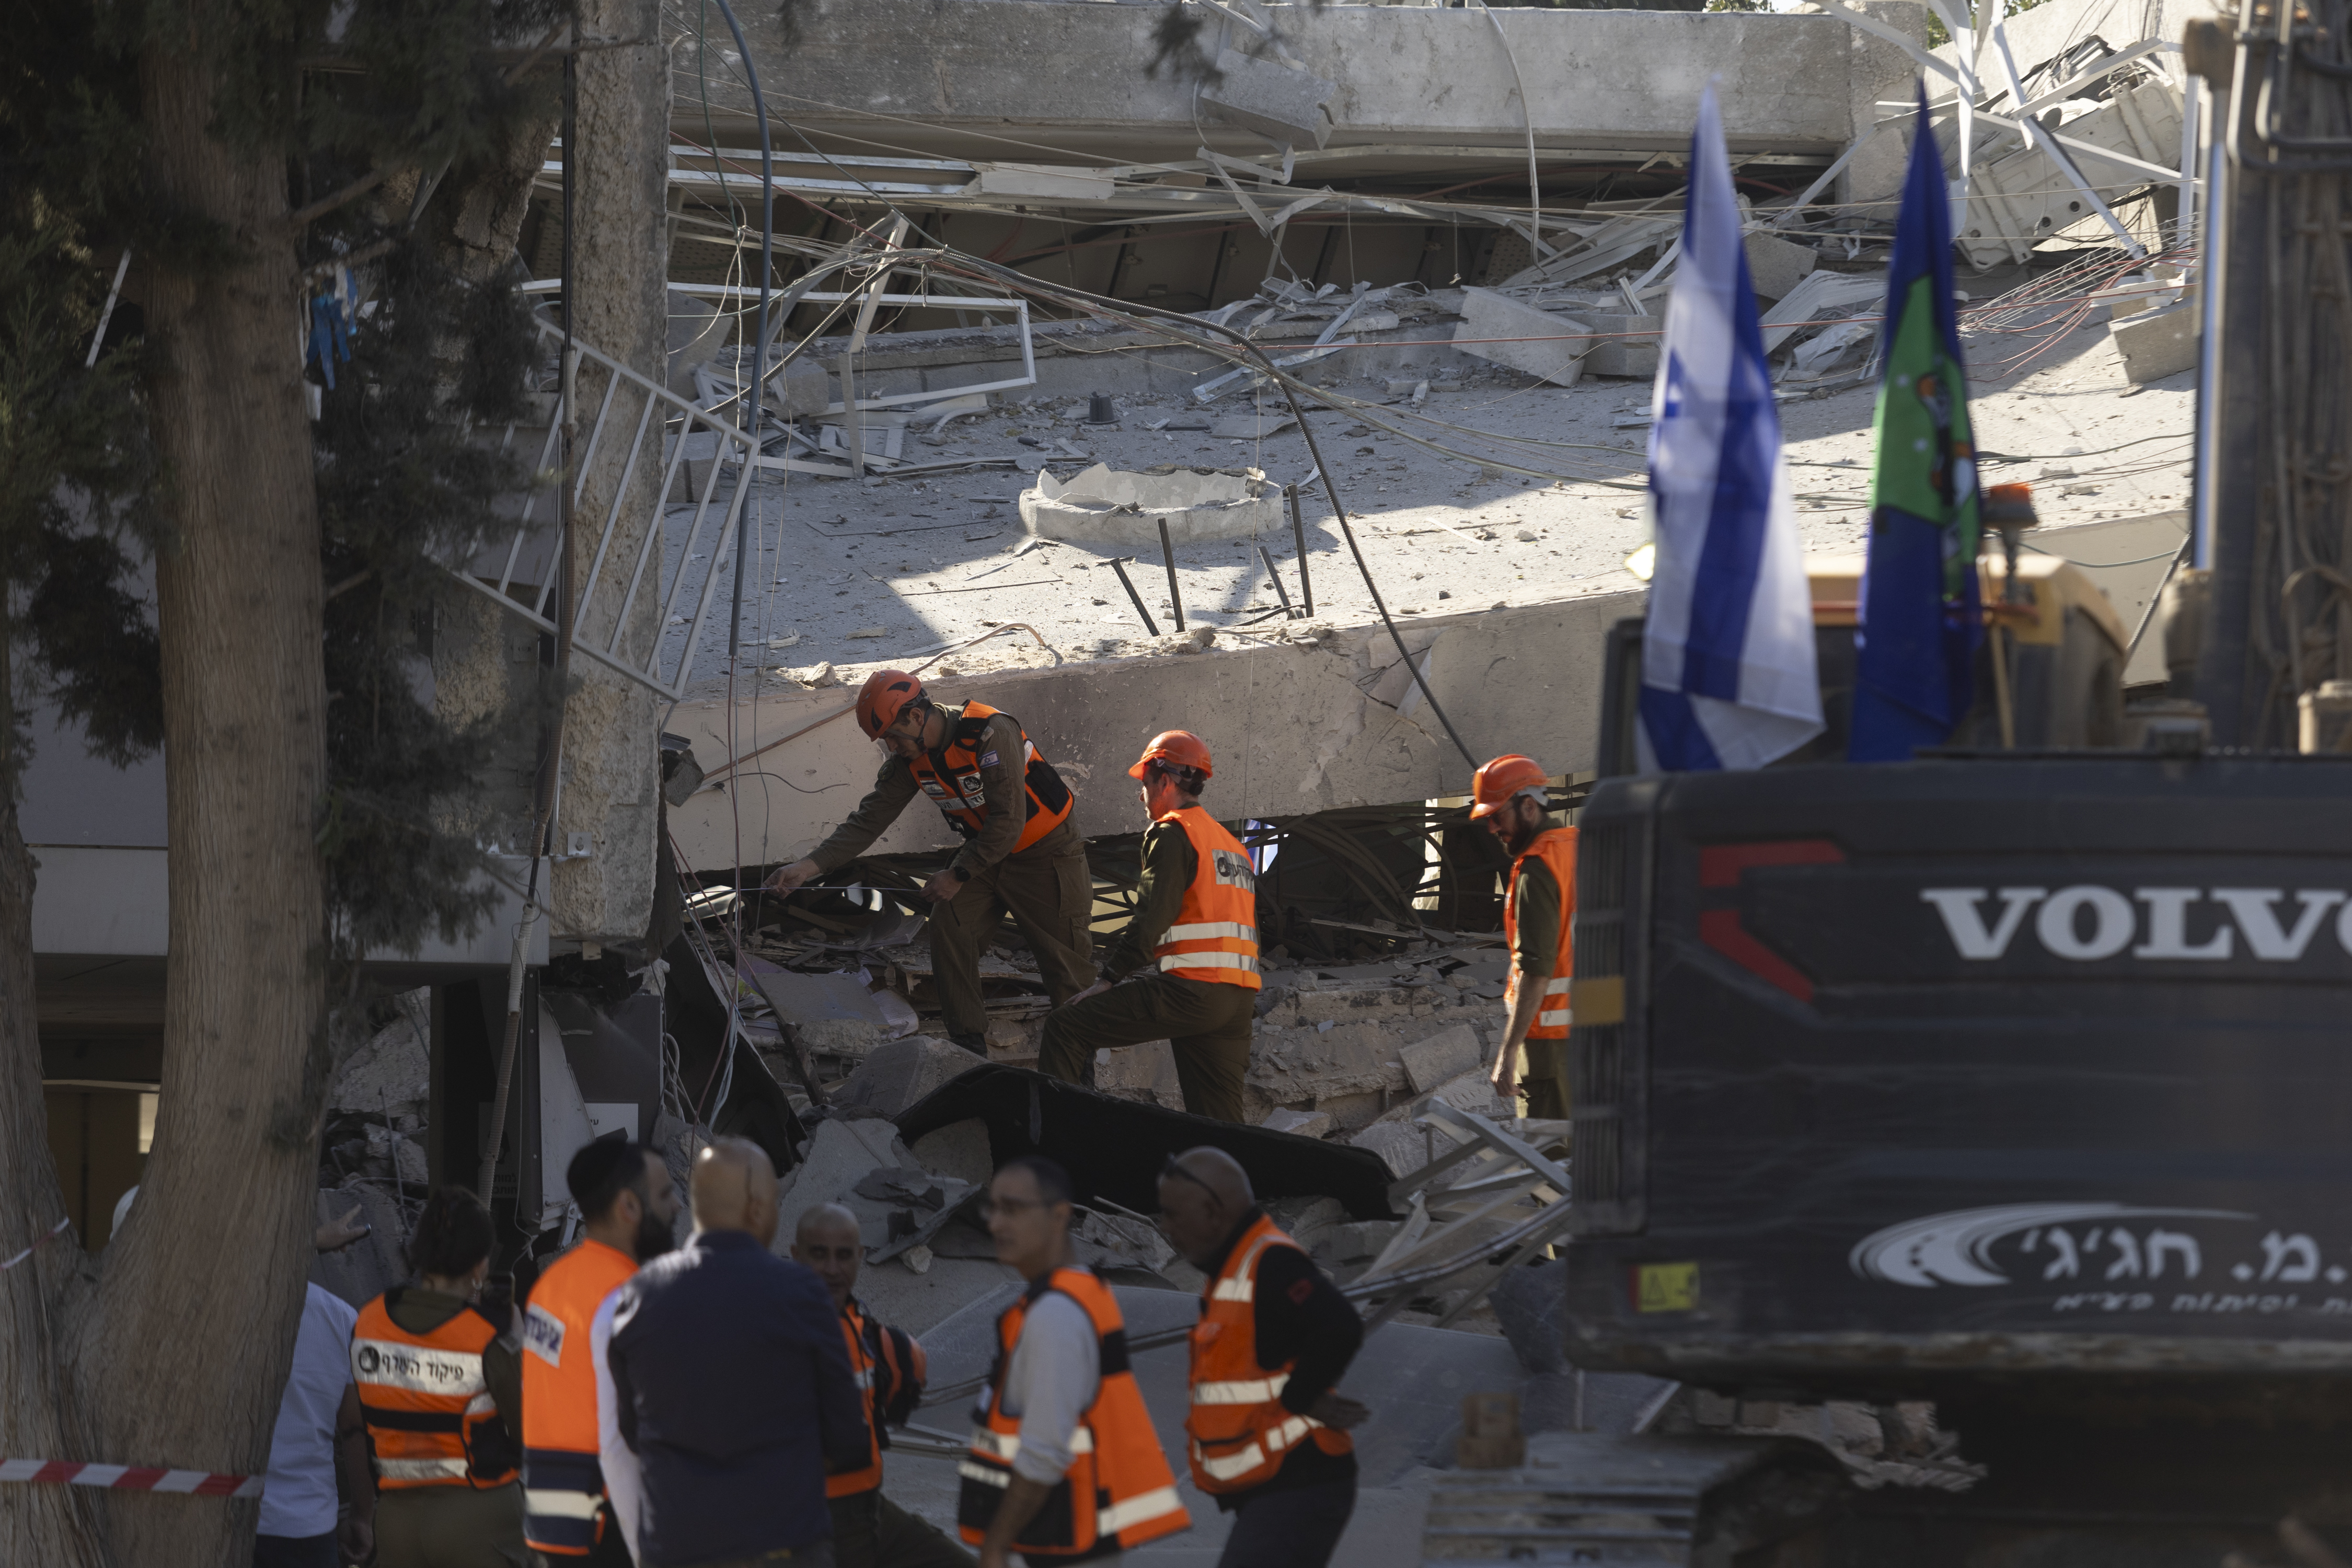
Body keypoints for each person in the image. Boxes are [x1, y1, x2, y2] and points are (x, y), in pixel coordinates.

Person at [765, 670, 1094, 1055]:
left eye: (893, 736)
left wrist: (957, 874)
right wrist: (808, 867)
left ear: (917, 717)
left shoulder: (990, 733)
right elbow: (868, 821)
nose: (891, 747)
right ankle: (969, 1052)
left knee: (1066, 963)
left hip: (1045, 854)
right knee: (950, 925)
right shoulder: (911, 759)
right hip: (983, 856)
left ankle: (1079, 1069)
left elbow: (1008, 822)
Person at [607, 1137, 870, 1567]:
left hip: (675, 1548)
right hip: (782, 1546)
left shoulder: (638, 1295)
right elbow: (848, 1438)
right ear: (757, 1207)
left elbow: (632, 1432)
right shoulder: (803, 1295)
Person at [113, 1184, 378, 1568]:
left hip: (208, 1525)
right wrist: (362, 1518)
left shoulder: (188, 1321)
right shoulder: (340, 1320)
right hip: (303, 1531)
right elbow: (357, 1431)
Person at [957, 1156, 1189, 1566]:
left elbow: (1045, 1450)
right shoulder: (1079, 1293)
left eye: (1012, 1210)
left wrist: (996, 1545)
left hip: (1063, 1535)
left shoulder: (1054, 1315)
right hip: (1072, 1529)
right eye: (992, 1209)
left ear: (1059, 1215)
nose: (995, 1224)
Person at [1155, 1149, 1367, 1568]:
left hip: (1301, 1481)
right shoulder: (1231, 1271)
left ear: (1213, 1213)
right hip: (1273, 1486)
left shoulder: (1271, 1262)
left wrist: (1299, 1398)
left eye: (1174, 1216)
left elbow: (1339, 1325)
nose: (1167, 1230)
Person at [1035, 731, 1259, 1122]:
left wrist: (1109, 979)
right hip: (1237, 1000)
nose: (1142, 796)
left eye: (1145, 784)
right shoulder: (1232, 845)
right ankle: (1243, 1182)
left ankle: (1055, 1151)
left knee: (1066, 1027)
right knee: (1222, 1123)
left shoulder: (1174, 832)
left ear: (1165, 781)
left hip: (1192, 991)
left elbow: (1151, 916)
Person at [521, 1136, 680, 1566]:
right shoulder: (630, 1299)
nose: (677, 1208)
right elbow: (629, 1435)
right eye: (665, 1195)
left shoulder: (550, 1286)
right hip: (610, 1522)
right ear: (629, 1207)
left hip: (551, 1518)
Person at [790, 1203, 976, 1568]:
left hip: (872, 1508)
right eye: (818, 1254)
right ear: (796, 1256)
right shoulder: (776, 1333)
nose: (831, 1269)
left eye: (844, 1256)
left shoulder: (861, 1328)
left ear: (860, 1258)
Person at [350, 1185, 526, 1568]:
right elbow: (529, 1432)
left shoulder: (370, 1320)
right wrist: (517, 1343)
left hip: (397, 1524)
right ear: (480, 1266)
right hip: (479, 1522)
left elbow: (359, 1418)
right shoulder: (487, 1336)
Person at [1469, 754, 1576, 1119]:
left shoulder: (1538, 868)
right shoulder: (1589, 850)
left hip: (1552, 1042)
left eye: (1497, 816)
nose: (1492, 829)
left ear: (1528, 806)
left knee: (1551, 1158)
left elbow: (1537, 969)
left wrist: (1508, 1051)